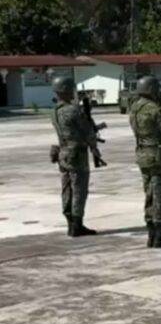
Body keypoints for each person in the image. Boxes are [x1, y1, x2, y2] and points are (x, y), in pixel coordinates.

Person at [129, 76, 161, 248]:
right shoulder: (155, 109)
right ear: (152, 89)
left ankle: (151, 233)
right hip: (159, 157)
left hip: (143, 154)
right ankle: (160, 234)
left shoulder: (134, 108)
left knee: (150, 193)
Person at [51, 77, 101, 237]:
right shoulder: (73, 110)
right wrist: (94, 147)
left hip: (63, 153)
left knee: (66, 189)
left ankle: (70, 221)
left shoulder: (55, 112)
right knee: (79, 189)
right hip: (77, 154)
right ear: (66, 90)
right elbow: (88, 132)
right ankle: (77, 225)